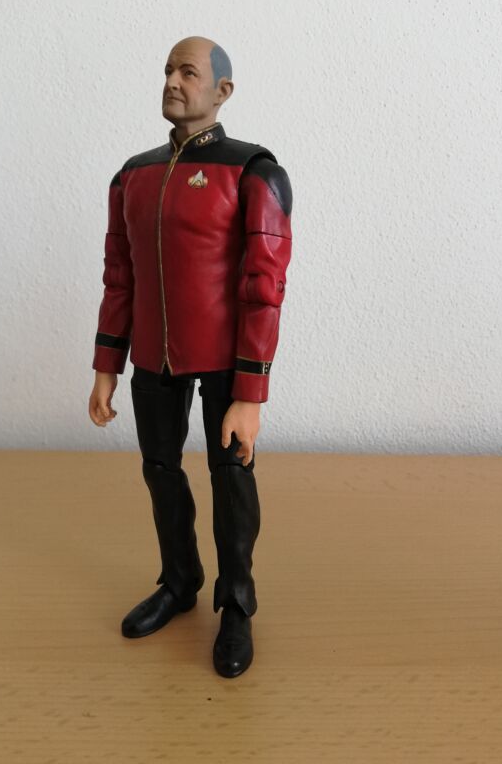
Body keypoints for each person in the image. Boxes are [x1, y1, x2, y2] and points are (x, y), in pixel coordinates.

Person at [88, 35, 293, 678]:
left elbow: (264, 286)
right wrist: (106, 364)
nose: (173, 81)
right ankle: (179, 581)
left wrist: (251, 392)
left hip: (226, 361)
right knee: (160, 469)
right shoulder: (133, 175)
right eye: (168, 70)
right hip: (153, 356)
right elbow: (119, 275)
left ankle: (236, 602)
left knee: (230, 476)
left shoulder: (253, 170)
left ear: (222, 91)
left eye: (189, 71)